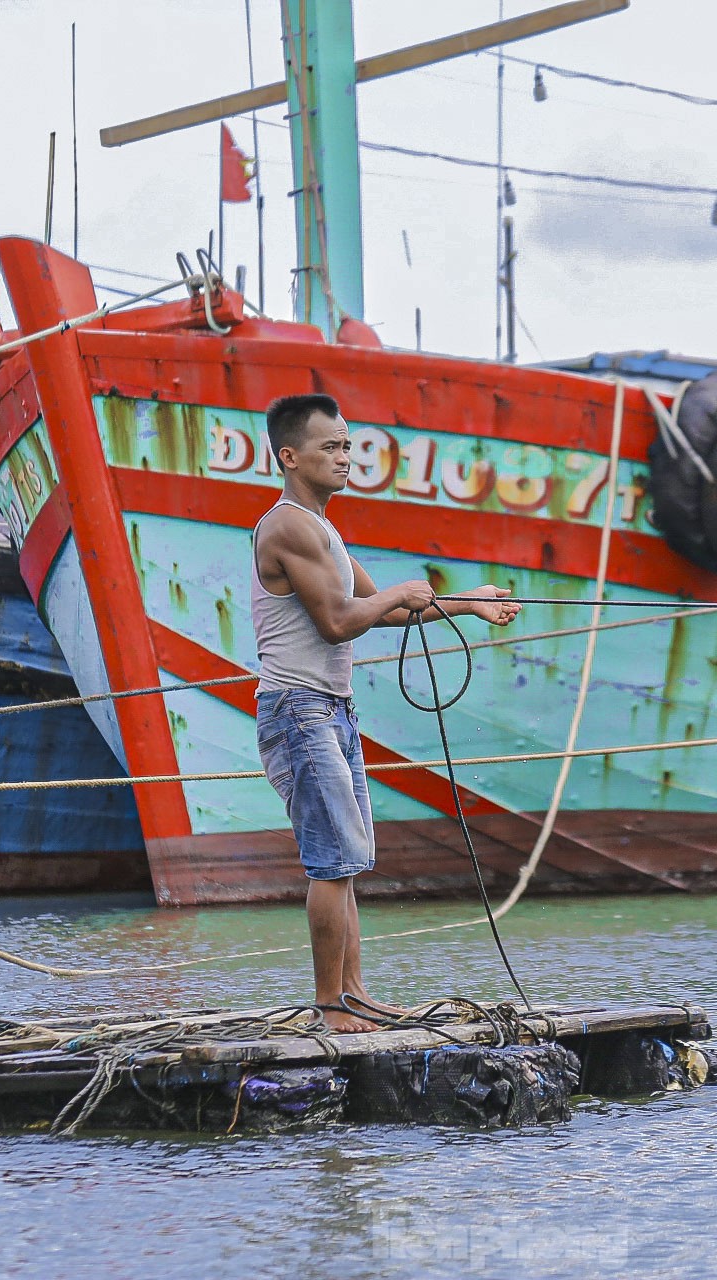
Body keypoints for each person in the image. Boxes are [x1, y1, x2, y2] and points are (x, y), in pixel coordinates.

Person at [252, 393, 521, 1033]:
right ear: (290, 457)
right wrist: (400, 591)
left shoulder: (324, 531)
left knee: (349, 858)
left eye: (348, 446)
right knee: (332, 858)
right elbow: (341, 621)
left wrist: (469, 602)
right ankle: (330, 1006)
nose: (346, 458)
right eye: (331, 447)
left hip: (331, 707)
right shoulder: (288, 525)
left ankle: (355, 993)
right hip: (298, 707)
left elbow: (397, 612)